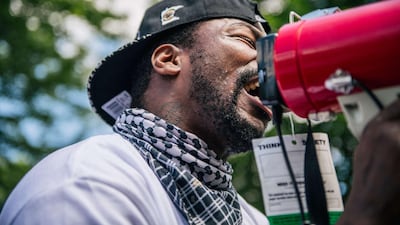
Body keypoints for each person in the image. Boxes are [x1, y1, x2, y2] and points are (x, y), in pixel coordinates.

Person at [1, 0, 399, 224]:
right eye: (247, 40)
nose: (269, 61)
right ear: (169, 59)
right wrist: (365, 214)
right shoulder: (89, 185)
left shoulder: (251, 219)